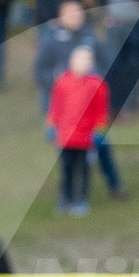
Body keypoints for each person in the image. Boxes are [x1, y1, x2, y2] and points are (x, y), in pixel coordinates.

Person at [47, 46, 110, 217]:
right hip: (65, 137)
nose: (82, 64)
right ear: (71, 62)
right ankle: (64, 199)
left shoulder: (97, 84)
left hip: (85, 138)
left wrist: (98, 132)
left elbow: (100, 111)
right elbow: (56, 107)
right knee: (66, 169)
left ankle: (81, 200)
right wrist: (52, 126)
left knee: (83, 170)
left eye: (86, 60)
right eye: (79, 60)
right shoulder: (62, 82)